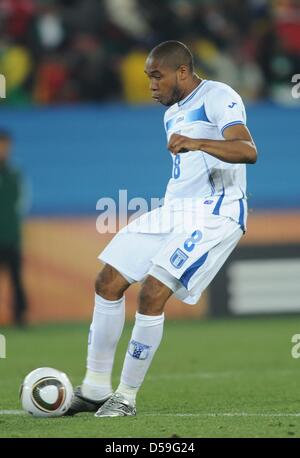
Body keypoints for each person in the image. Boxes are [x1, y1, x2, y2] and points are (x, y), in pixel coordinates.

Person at [66, 40, 257, 417]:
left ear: (182, 72)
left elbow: (248, 150)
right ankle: (94, 388)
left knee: (152, 293)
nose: (151, 85)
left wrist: (198, 143)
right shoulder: (171, 114)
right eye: (148, 77)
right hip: (174, 210)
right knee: (107, 281)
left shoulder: (219, 96)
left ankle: (125, 397)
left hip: (216, 212)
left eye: (157, 76)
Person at [0, 130, 27, 326]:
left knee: (17, 278)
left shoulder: (15, 172)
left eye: (6, 145)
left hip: (11, 236)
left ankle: (20, 316)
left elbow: (23, 202)